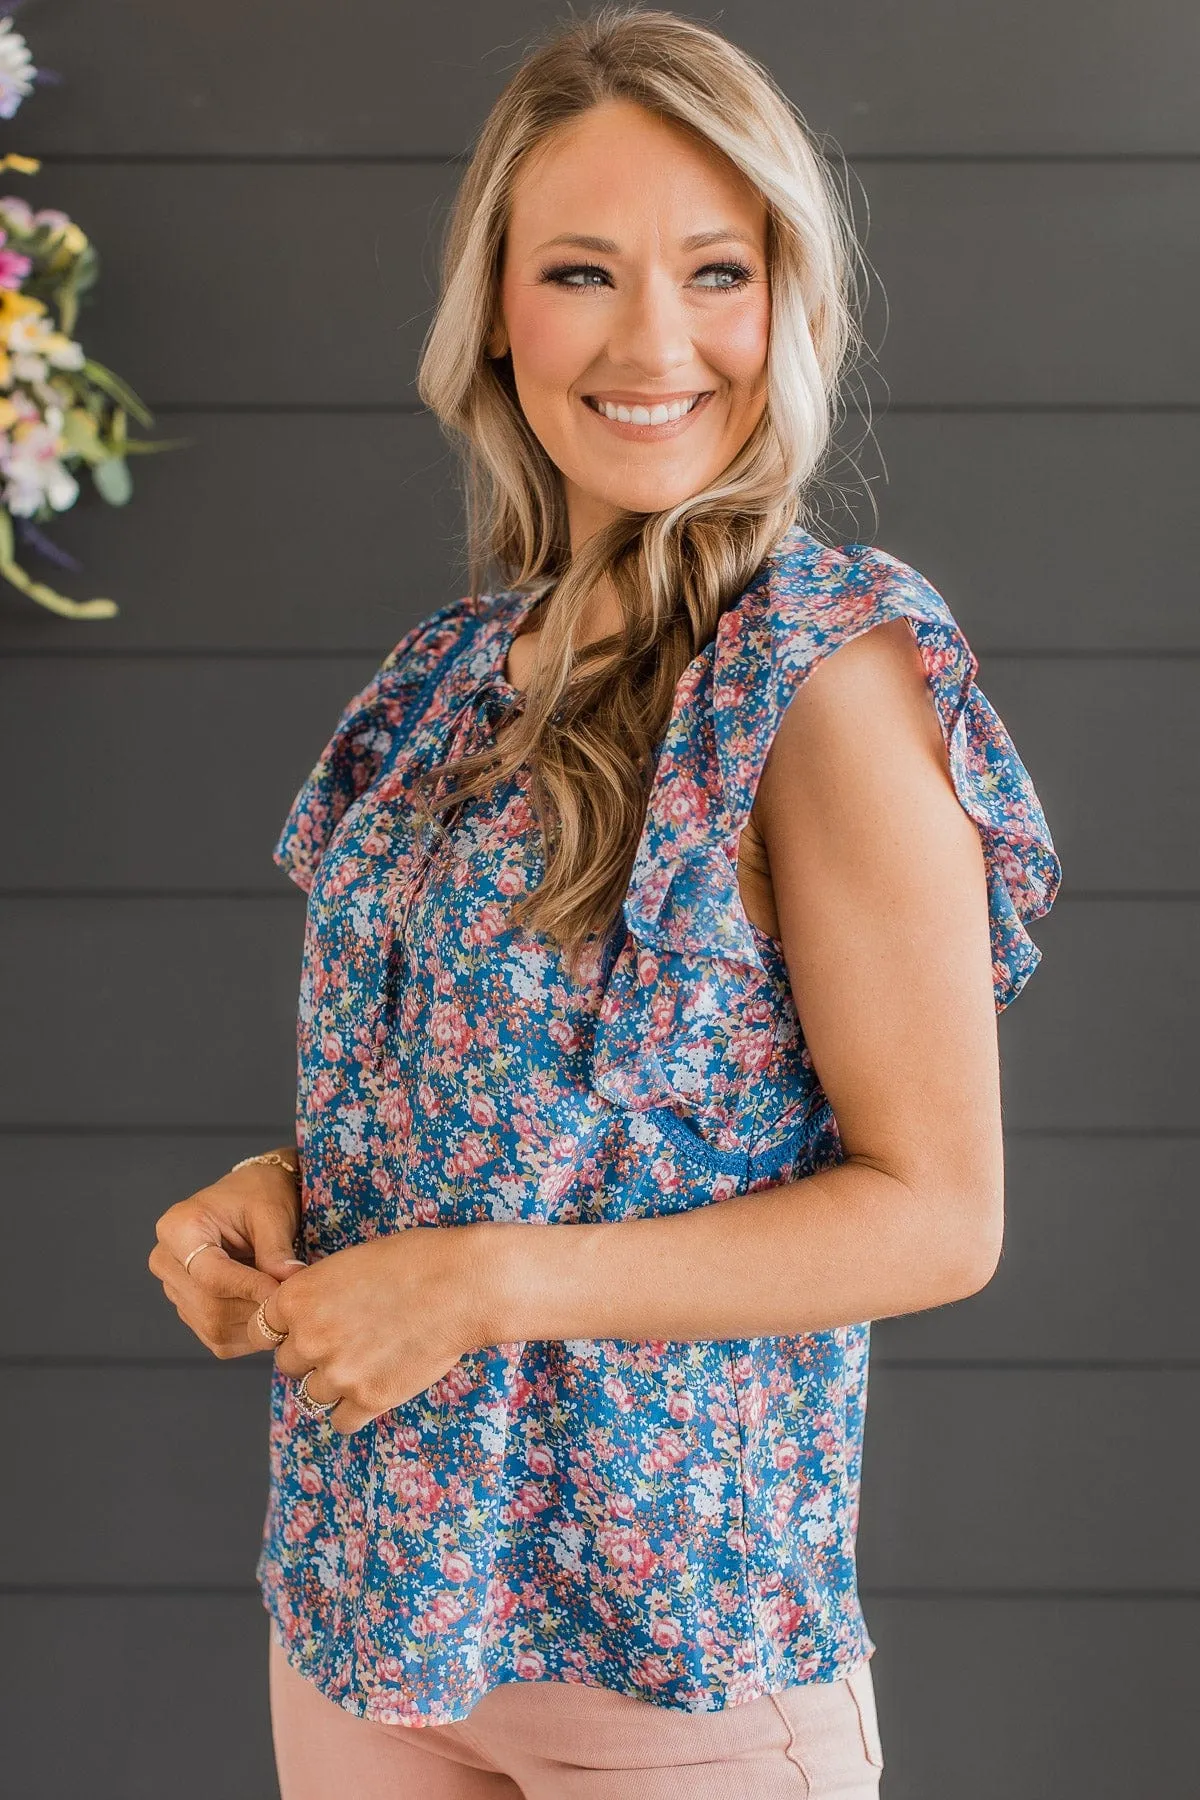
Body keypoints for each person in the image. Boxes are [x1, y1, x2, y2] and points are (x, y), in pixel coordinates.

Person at [147, 8, 1062, 1796]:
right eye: (584, 271)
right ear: (499, 307)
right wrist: (281, 1204)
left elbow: (940, 1216)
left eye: (718, 271)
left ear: (786, 306)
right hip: (368, 1612)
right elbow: (487, 1100)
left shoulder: (824, 670)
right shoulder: (446, 679)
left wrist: (486, 1283)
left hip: (674, 1671)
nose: (657, 343)